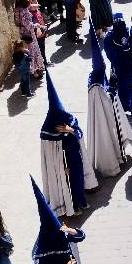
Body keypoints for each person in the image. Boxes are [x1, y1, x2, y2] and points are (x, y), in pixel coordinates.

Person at [40, 76, 98, 218]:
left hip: (75, 157)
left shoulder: (69, 119)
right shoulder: (48, 129)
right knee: (67, 186)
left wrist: (70, 130)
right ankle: (73, 208)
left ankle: (81, 202)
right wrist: (61, 167)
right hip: (63, 163)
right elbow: (51, 153)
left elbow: (79, 133)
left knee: (78, 181)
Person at [86, 25, 131, 179]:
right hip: (104, 118)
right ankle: (112, 162)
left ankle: (120, 154)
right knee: (108, 136)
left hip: (109, 113)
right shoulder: (95, 86)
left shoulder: (96, 76)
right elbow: (106, 100)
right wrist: (111, 88)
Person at [102, 13, 132, 115]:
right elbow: (130, 46)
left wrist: (114, 61)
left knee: (121, 86)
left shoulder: (109, 37)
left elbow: (108, 53)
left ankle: (123, 106)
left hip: (118, 65)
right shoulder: (128, 32)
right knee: (130, 84)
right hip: (129, 63)